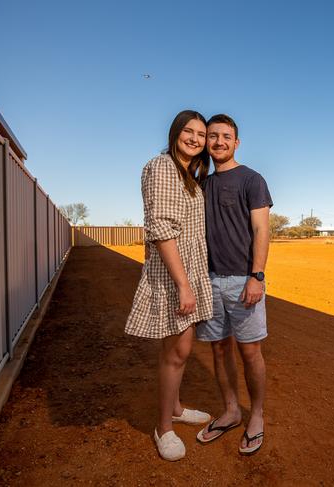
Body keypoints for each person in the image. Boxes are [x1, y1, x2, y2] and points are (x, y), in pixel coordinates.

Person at [125, 110, 214, 462]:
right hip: (173, 273)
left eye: (201, 134)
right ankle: (164, 427)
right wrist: (183, 284)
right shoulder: (162, 167)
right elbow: (161, 228)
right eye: (188, 131)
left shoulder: (187, 174)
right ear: (175, 132)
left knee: (179, 349)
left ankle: (175, 407)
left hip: (186, 270)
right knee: (176, 352)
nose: (195, 138)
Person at [195, 114, 272, 456]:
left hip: (244, 281)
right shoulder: (203, 185)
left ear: (236, 142)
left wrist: (257, 276)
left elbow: (261, 230)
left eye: (226, 136)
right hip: (209, 281)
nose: (220, 142)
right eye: (213, 136)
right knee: (219, 349)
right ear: (206, 142)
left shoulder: (252, 180)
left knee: (250, 350)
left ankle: (255, 415)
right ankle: (230, 411)